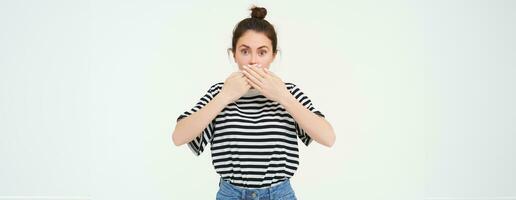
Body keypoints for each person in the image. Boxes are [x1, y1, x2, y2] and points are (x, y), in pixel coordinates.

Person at [172, 6, 336, 200]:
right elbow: (179, 137)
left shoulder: (288, 92)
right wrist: (225, 97)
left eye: (262, 52)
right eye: (245, 51)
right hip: (230, 194)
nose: (252, 61)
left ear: (273, 56)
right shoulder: (219, 92)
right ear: (234, 54)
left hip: (279, 194)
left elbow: (328, 138)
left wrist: (283, 97)